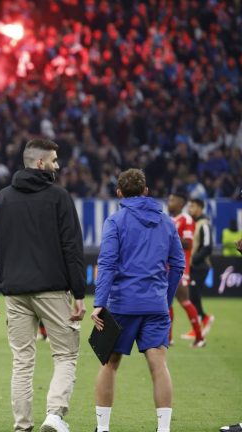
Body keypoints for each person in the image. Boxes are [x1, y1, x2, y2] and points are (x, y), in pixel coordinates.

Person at [0, 139, 86, 432]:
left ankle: (22, 425)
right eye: (54, 160)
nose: (57, 165)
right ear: (40, 163)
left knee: (22, 361)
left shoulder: (2, 199)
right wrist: (79, 293)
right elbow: (72, 248)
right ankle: (54, 415)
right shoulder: (59, 197)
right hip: (53, 290)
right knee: (65, 354)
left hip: (14, 293)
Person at [92, 169, 185, 432]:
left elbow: (107, 263)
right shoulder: (167, 222)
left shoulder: (115, 221)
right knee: (159, 366)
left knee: (109, 364)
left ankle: (102, 429)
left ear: (119, 193)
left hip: (121, 304)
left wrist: (100, 302)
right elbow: (178, 265)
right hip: (155, 305)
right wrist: (164, 299)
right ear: (146, 191)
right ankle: (164, 429)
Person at [165, 193, 205, 347]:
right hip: (168, 267)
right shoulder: (171, 220)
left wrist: (169, 234)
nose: (169, 202)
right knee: (167, 303)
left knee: (184, 300)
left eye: (172, 200)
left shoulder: (186, 219)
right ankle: (168, 339)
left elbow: (188, 244)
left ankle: (200, 337)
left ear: (181, 203)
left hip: (180, 267)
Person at [186, 198, 214, 339]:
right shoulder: (193, 223)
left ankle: (203, 320)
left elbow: (208, 247)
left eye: (193, 206)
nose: (190, 208)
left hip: (200, 266)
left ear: (200, 208)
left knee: (193, 296)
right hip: (193, 266)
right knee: (192, 296)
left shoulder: (204, 224)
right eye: (189, 206)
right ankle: (201, 322)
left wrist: (192, 260)